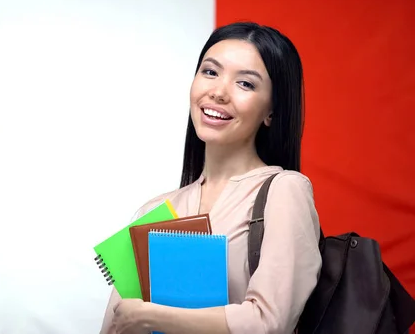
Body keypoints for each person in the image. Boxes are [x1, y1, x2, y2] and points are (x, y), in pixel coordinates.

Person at [98, 22, 322, 334]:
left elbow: (268, 323)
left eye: (245, 84)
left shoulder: (284, 191)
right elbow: (118, 323)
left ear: (271, 111)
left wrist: (152, 317)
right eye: (210, 72)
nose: (218, 92)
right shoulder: (154, 210)